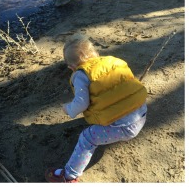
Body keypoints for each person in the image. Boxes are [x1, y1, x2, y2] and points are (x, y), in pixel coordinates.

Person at [45, 34, 147, 182]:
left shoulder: (80, 75)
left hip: (127, 128)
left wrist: (68, 109)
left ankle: (69, 176)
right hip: (141, 112)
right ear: (97, 54)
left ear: (72, 68)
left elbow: (81, 103)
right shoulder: (113, 61)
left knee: (87, 138)